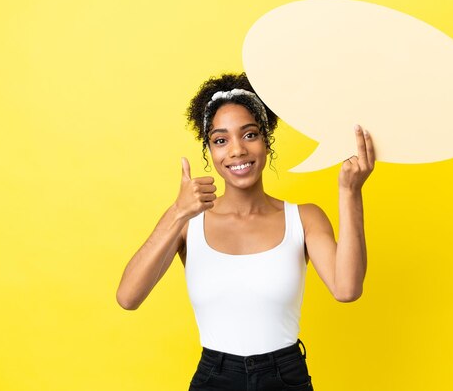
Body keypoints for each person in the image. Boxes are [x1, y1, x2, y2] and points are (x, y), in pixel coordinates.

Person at [116, 72, 375, 390]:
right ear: (209, 150)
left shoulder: (304, 218)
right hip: (215, 376)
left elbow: (346, 289)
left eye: (249, 134)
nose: (236, 150)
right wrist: (177, 212)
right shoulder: (187, 222)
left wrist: (350, 192)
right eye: (220, 140)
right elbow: (128, 297)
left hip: (285, 375)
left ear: (267, 140)